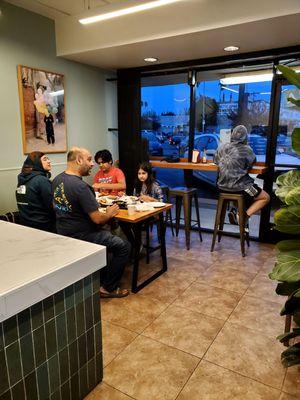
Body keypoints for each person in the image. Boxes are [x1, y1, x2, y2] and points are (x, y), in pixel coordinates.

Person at [52, 147, 130, 298]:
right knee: (124, 245)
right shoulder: (81, 187)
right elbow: (97, 219)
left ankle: (101, 277)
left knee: (111, 236)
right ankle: (108, 288)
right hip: (82, 235)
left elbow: (54, 206)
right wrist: (110, 213)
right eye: (89, 160)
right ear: (79, 160)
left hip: (63, 231)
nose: (93, 164)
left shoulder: (57, 180)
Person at [214, 125, 270, 224]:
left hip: (222, 187)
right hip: (242, 188)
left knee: (241, 195)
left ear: (232, 135)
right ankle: (243, 216)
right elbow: (252, 163)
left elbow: (216, 161)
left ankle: (235, 210)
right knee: (265, 197)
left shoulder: (221, 148)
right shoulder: (247, 150)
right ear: (245, 137)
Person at [16, 151, 56, 232]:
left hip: (25, 226)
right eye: (45, 159)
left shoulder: (22, 180)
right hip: (44, 227)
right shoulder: (42, 180)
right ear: (37, 163)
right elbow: (52, 206)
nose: (49, 161)